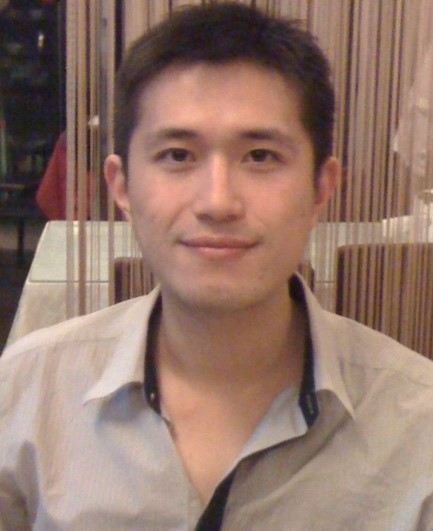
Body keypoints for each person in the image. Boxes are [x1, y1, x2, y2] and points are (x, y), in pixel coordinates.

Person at [1, 3, 433, 529]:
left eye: (260, 156)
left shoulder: (418, 425)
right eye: (178, 155)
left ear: (321, 188)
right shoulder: (25, 395)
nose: (218, 202)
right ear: (122, 187)